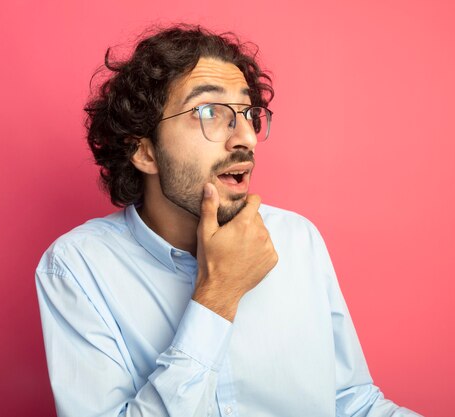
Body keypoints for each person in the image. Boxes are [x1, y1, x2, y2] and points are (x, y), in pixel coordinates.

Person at [35, 24, 423, 417]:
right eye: (211, 112)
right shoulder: (74, 269)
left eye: (248, 113)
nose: (247, 139)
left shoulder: (296, 240)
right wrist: (217, 297)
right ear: (144, 151)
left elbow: (352, 404)